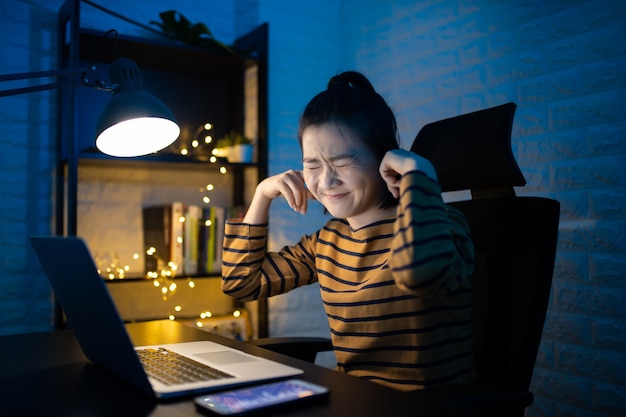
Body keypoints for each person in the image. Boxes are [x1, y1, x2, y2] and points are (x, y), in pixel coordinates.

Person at [221, 71, 476, 391]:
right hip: (354, 401)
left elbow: (418, 273)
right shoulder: (327, 241)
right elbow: (240, 283)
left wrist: (417, 172)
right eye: (312, 165)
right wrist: (262, 194)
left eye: (343, 162)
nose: (326, 181)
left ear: (384, 159)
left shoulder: (442, 221)